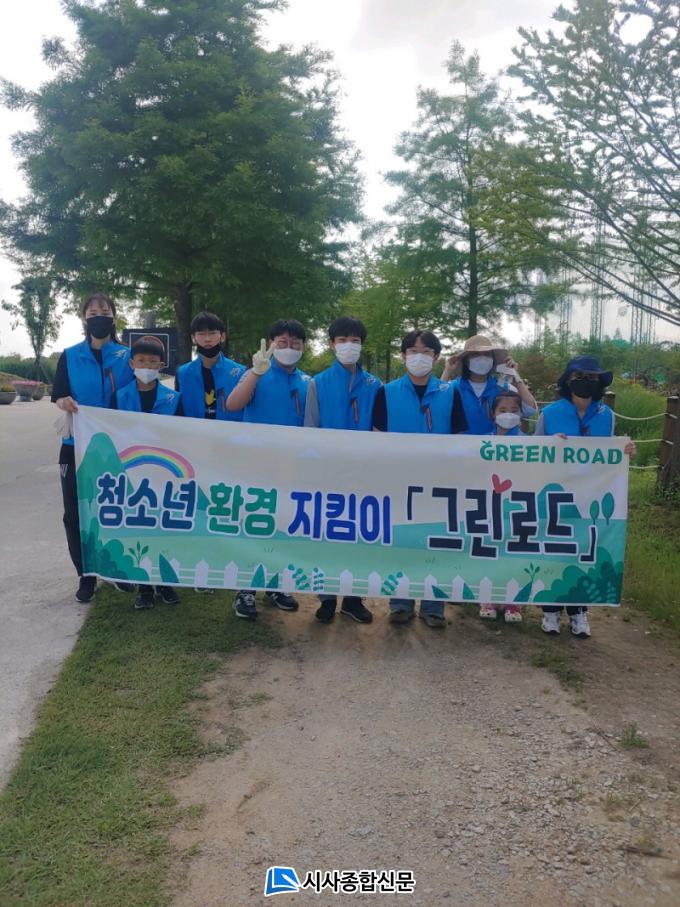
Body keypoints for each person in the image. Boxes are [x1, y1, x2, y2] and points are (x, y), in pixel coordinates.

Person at [372, 329, 468, 629]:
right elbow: (376, 437)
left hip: (439, 483)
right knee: (401, 541)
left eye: (426, 351)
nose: (419, 357)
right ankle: (400, 603)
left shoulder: (450, 392)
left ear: (436, 357)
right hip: (397, 481)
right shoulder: (386, 392)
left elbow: (460, 437)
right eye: (413, 351)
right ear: (403, 356)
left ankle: (433, 607)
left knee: (435, 543)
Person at [535, 355, 636, 639]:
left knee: (584, 549)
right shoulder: (550, 414)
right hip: (556, 493)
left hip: (591, 496)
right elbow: (533, 451)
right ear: (567, 381)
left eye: (591, 378)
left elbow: (611, 453)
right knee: (554, 549)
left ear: (599, 383)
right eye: (578, 376)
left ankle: (579, 611)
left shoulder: (606, 415)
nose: (584, 382)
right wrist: (550, 444)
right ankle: (550, 610)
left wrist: (625, 451)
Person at [51, 292, 135, 603]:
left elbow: (139, 393)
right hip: (75, 445)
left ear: (114, 317)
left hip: (117, 448)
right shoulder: (70, 355)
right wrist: (64, 401)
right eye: (92, 312)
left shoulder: (128, 357)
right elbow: (60, 394)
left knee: (115, 508)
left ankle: (117, 568)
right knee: (75, 513)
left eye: (104, 311)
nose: (99, 316)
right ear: (84, 318)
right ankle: (86, 574)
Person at [226, 318, 310, 620]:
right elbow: (233, 404)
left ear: (303, 347)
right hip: (255, 466)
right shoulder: (256, 374)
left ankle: (277, 585)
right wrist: (255, 373)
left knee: (284, 527)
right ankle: (245, 590)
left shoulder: (308, 382)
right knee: (253, 525)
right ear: (272, 344)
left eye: (295, 343)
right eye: (282, 342)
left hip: (290, 469)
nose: (289, 348)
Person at [304, 315, 382, 625]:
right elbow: (310, 429)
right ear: (331, 344)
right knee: (327, 535)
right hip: (328, 473)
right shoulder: (318, 383)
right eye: (342, 340)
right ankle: (326, 598)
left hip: (364, 473)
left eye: (355, 340)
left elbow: (380, 432)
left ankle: (353, 599)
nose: (349, 345)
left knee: (359, 536)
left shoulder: (376, 385)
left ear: (362, 345)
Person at [111, 336, 183, 609]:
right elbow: (108, 428)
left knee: (163, 528)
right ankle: (144, 587)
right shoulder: (120, 396)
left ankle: (165, 583)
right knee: (138, 528)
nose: (147, 366)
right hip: (131, 474)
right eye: (141, 361)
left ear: (161, 365)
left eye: (153, 362)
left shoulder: (173, 399)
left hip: (164, 473)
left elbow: (183, 435)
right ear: (132, 364)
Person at [479, 390, 524, 623]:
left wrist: (556, 442)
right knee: (489, 549)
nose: (508, 415)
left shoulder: (530, 442)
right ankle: (487, 598)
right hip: (488, 503)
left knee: (514, 551)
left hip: (517, 505)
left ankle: (513, 603)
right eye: (502, 410)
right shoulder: (481, 441)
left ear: (521, 414)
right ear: (493, 413)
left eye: (514, 410)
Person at [442, 335, 536, 434]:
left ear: (493, 359)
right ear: (466, 360)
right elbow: (435, 405)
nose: (482, 358)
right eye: (476, 354)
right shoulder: (453, 387)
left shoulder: (503, 388)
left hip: (494, 444)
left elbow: (530, 410)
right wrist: (447, 372)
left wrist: (516, 377)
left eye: (487, 354)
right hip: (461, 444)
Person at [174, 311, 244, 422]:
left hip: (229, 432)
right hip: (193, 431)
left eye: (212, 333)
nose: (207, 339)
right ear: (193, 338)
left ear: (222, 336)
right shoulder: (182, 373)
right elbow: (178, 411)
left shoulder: (240, 372)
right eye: (201, 334)